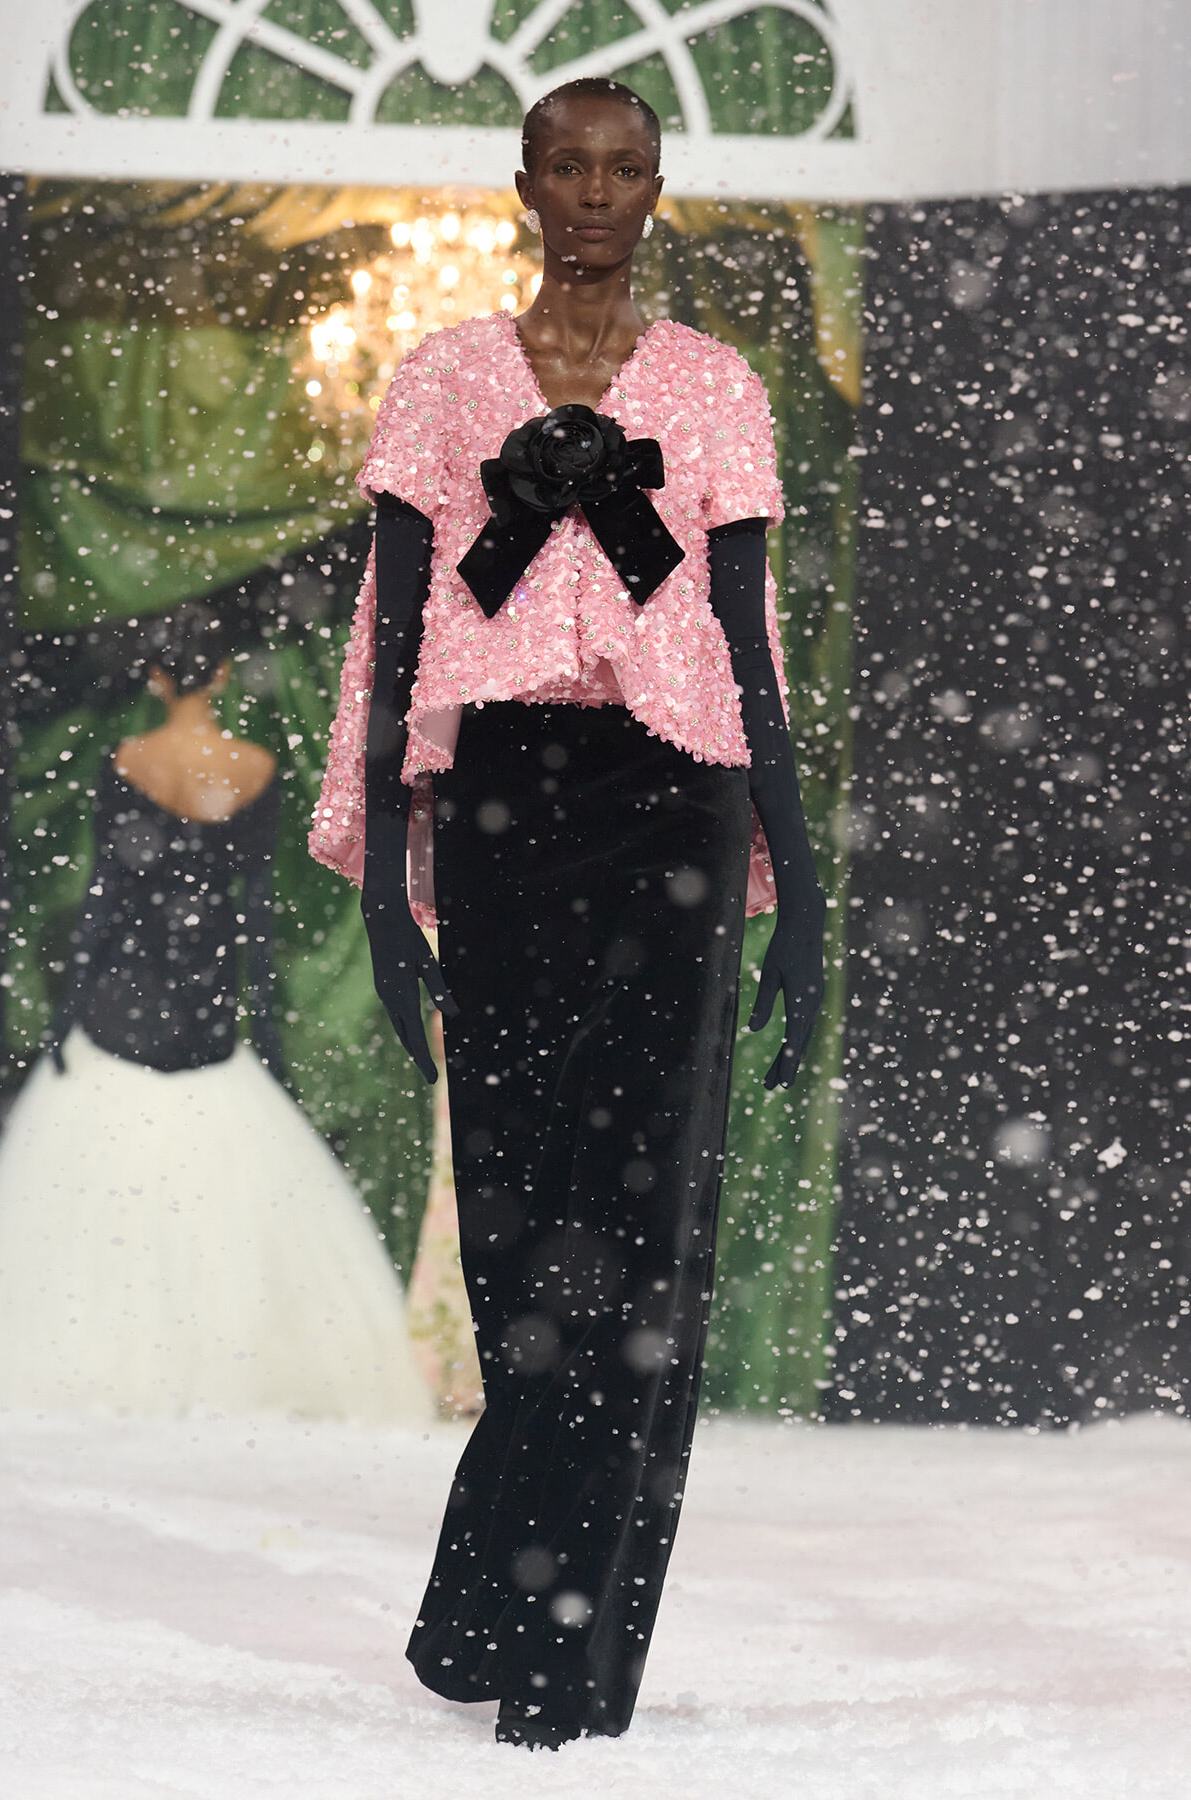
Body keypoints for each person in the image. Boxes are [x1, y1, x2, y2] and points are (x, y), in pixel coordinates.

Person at [310, 78, 825, 1747]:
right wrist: (392, 883)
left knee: (648, 1225)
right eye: (568, 165)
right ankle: (495, 1610)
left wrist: (798, 888)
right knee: (528, 1225)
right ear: (522, 181)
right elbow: (406, 630)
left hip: (675, 802)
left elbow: (737, 650)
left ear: (658, 188)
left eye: (625, 168)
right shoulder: (447, 375)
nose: (595, 192)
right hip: (508, 812)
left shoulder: (717, 390)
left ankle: (557, 1654)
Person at [0, 605, 432, 1425]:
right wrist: (262, 1028)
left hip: (128, 992)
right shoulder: (255, 767)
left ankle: (110, 1365)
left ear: (157, 678)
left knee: (100, 1189)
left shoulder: (128, 759)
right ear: (223, 673)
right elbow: (254, 916)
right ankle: (224, 1367)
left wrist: (65, 1017)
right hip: (206, 995)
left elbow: (104, 899)